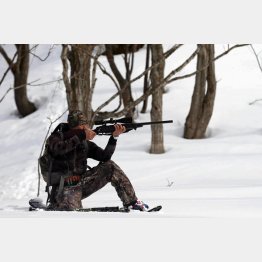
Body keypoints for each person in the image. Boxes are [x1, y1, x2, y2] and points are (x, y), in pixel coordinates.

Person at [45, 110, 149, 211]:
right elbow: (59, 149)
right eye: (80, 127)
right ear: (71, 127)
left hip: (81, 183)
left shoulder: (84, 143)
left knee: (110, 166)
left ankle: (132, 203)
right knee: (71, 213)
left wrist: (114, 137)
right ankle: (56, 204)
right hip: (63, 188)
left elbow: (105, 157)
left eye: (84, 126)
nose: (84, 128)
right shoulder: (56, 138)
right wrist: (82, 135)